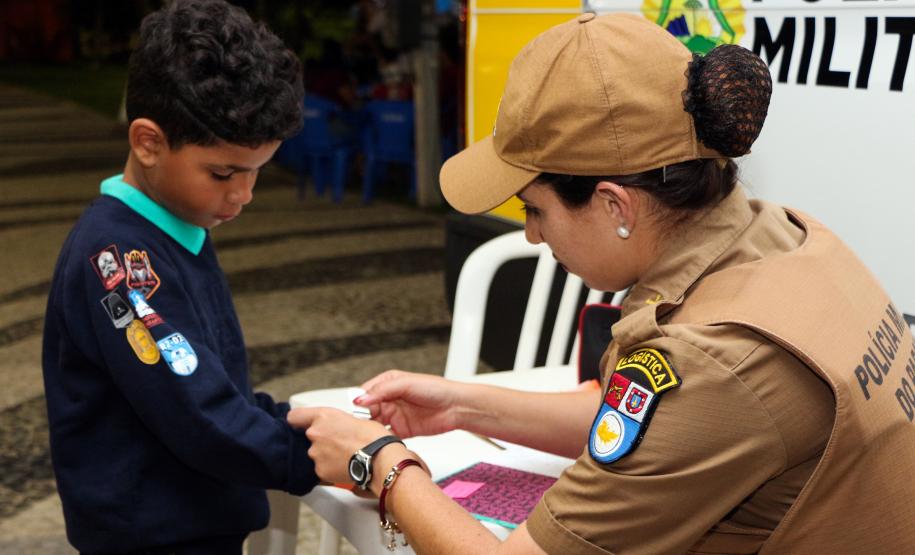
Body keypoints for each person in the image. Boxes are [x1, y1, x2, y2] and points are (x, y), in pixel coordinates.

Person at [288, 12, 915, 554]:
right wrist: (462, 405)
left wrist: (381, 464)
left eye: (534, 209)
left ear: (616, 206)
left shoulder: (714, 359)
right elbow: (646, 423)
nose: (532, 236)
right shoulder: (781, 236)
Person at [41, 1, 318, 553]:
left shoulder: (171, 230)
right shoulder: (118, 264)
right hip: (154, 537)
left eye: (257, 172)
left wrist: (294, 423)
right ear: (148, 142)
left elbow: (205, 383)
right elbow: (200, 414)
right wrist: (315, 455)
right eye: (223, 173)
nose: (243, 195)